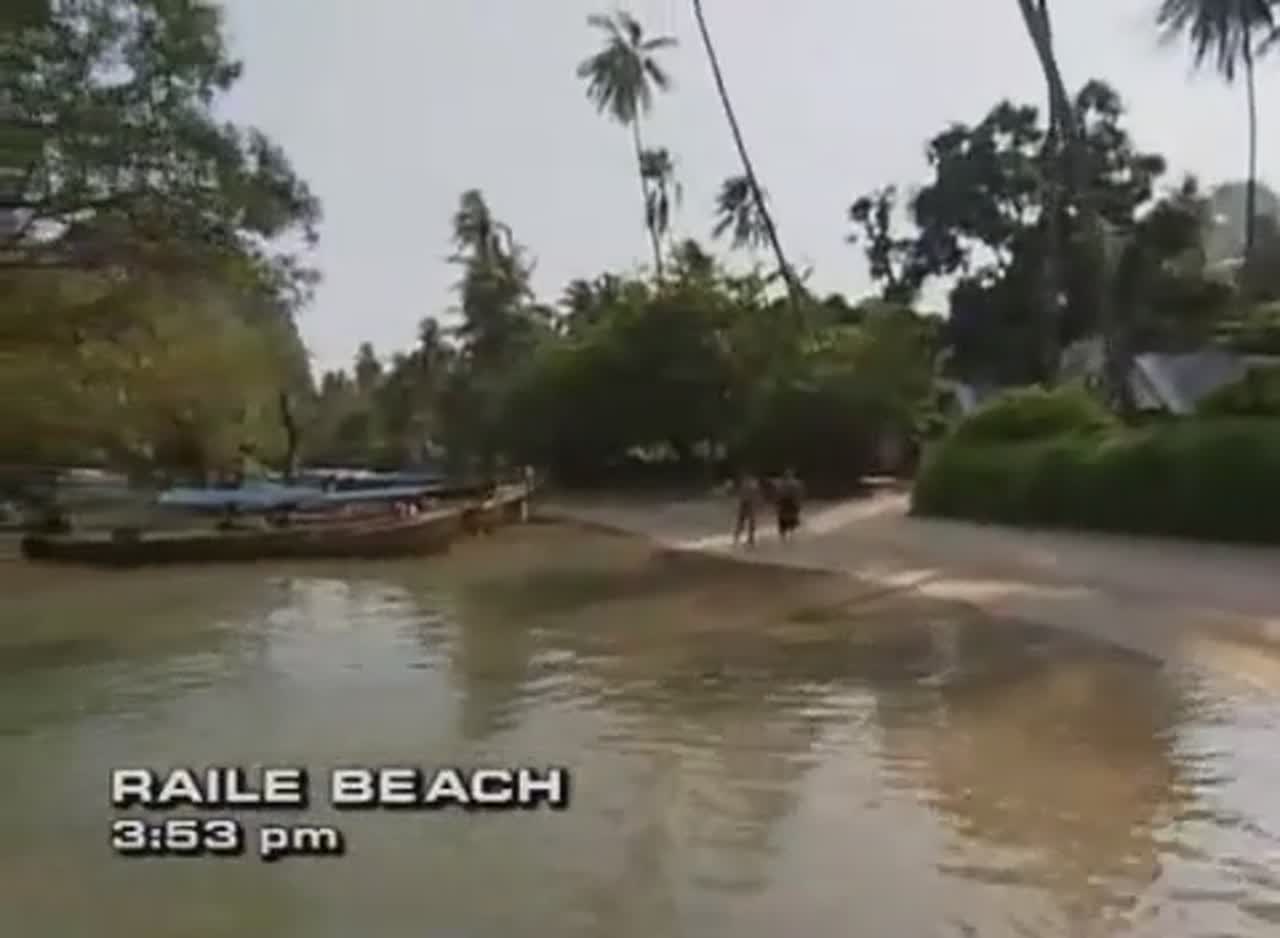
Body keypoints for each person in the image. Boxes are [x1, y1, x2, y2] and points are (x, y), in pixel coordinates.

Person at [732, 472, 762, 547]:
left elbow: (743, 496)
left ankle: (744, 538)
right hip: (747, 505)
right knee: (745, 523)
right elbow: (754, 496)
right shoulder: (752, 485)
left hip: (748, 505)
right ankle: (742, 538)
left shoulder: (749, 485)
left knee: (745, 523)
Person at [774, 468, 803, 541]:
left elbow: (777, 494)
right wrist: (798, 503)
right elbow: (799, 493)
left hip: (786, 503)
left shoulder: (781, 483)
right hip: (789, 503)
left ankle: (785, 536)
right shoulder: (796, 483)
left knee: (785, 519)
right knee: (790, 519)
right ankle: (789, 535)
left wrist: (777, 503)